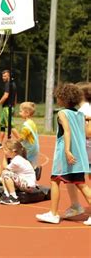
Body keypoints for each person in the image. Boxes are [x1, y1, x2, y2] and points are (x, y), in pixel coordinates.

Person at [36, 83, 91, 225]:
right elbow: (83, 133)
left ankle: (53, 214)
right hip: (80, 154)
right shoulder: (80, 114)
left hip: (65, 155)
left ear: (63, 99)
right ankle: (74, 207)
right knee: (81, 184)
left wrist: (67, 150)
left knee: (55, 180)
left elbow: (67, 131)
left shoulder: (62, 113)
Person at [62, 82, 91, 220]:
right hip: (84, 149)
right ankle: (75, 205)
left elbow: (88, 132)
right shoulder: (82, 110)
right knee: (72, 178)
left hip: (85, 150)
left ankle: (76, 205)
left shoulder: (84, 111)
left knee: (77, 180)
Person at [0, 139, 37, 205]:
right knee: (4, 173)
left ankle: (13, 197)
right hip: (24, 183)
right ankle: (7, 194)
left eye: (6, 150)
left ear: (13, 151)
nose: (4, 152)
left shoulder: (17, 160)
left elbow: (5, 167)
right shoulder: (17, 158)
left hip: (28, 185)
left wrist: (5, 157)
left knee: (6, 173)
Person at [11, 102, 40, 168]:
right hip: (34, 146)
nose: (19, 113)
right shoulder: (31, 122)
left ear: (27, 113)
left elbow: (22, 138)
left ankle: (33, 171)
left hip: (29, 147)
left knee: (23, 159)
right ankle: (34, 169)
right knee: (29, 161)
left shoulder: (26, 126)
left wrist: (15, 142)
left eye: (21, 111)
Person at [0, 70, 16, 148]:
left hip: (7, 108)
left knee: (10, 126)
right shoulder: (13, 84)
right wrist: (14, 106)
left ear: (9, 76)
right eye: (3, 76)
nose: (3, 77)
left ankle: (21, 142)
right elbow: (15, 96)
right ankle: (0, 143)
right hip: (8, 107)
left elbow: (6, 96)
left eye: (5, 76)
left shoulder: (8, 84)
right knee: (2, 125)